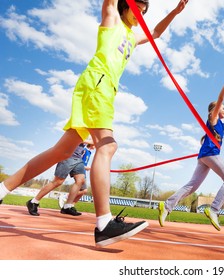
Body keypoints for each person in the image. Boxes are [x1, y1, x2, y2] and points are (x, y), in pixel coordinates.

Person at [0, 0, 189, 247]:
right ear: (125, 6)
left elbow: (154, 33)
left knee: (62, 151)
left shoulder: (131, 36)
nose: (140, 15)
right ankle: (104, 224)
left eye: (144, 12)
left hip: (102, 90)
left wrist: (174, 12)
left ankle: (2, 190)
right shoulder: (112, 20)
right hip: (97, 84)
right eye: (138, 9)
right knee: (107, 146)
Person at [158, 68, 224, 231]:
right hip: (210, 154)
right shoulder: (213, 117)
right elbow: (220, 98)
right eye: (223, 108)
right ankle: (214, 209)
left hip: (204, 157)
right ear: (215, 110)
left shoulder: (221, 123)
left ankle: (166, 205)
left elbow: (222, 112)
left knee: (192, 187)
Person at [26, 141, 93, 217]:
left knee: (81, 180)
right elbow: (81, 138)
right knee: (58, 182)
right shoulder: (83, 131)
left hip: (78, 159)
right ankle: (33, 202)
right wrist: (96, 140)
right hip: (68, 156)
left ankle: (67, 206)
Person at [58, 143, 95, 210]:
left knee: (83, 191)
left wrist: (86, 167)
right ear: (91, 144)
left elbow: (84, 162)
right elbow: (77, 160)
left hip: (83, 170)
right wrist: (85, 167)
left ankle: (71, 206)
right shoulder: (84, 150)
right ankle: (65, 196)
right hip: (79, 170)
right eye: (95, 145)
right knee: (84, 190)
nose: (95, 147)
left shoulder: (89, 152)